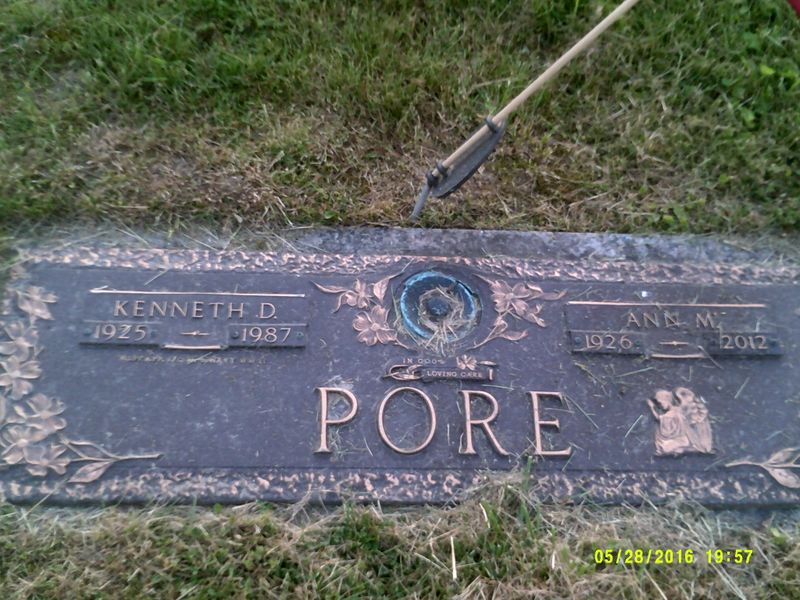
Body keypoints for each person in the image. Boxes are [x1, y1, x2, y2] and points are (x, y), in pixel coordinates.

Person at [647, 388, 712, 456]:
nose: (660, 406)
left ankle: (685, 447)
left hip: (682, 438)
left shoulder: (675, 412)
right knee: (664, 445)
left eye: (660, 403)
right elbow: (662, 420)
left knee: (666, 447)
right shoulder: (673, 412)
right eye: (658, 404)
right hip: (678, 437)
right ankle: (683, 448)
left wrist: (652, 407)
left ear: (666, 400)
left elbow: (659, 419)